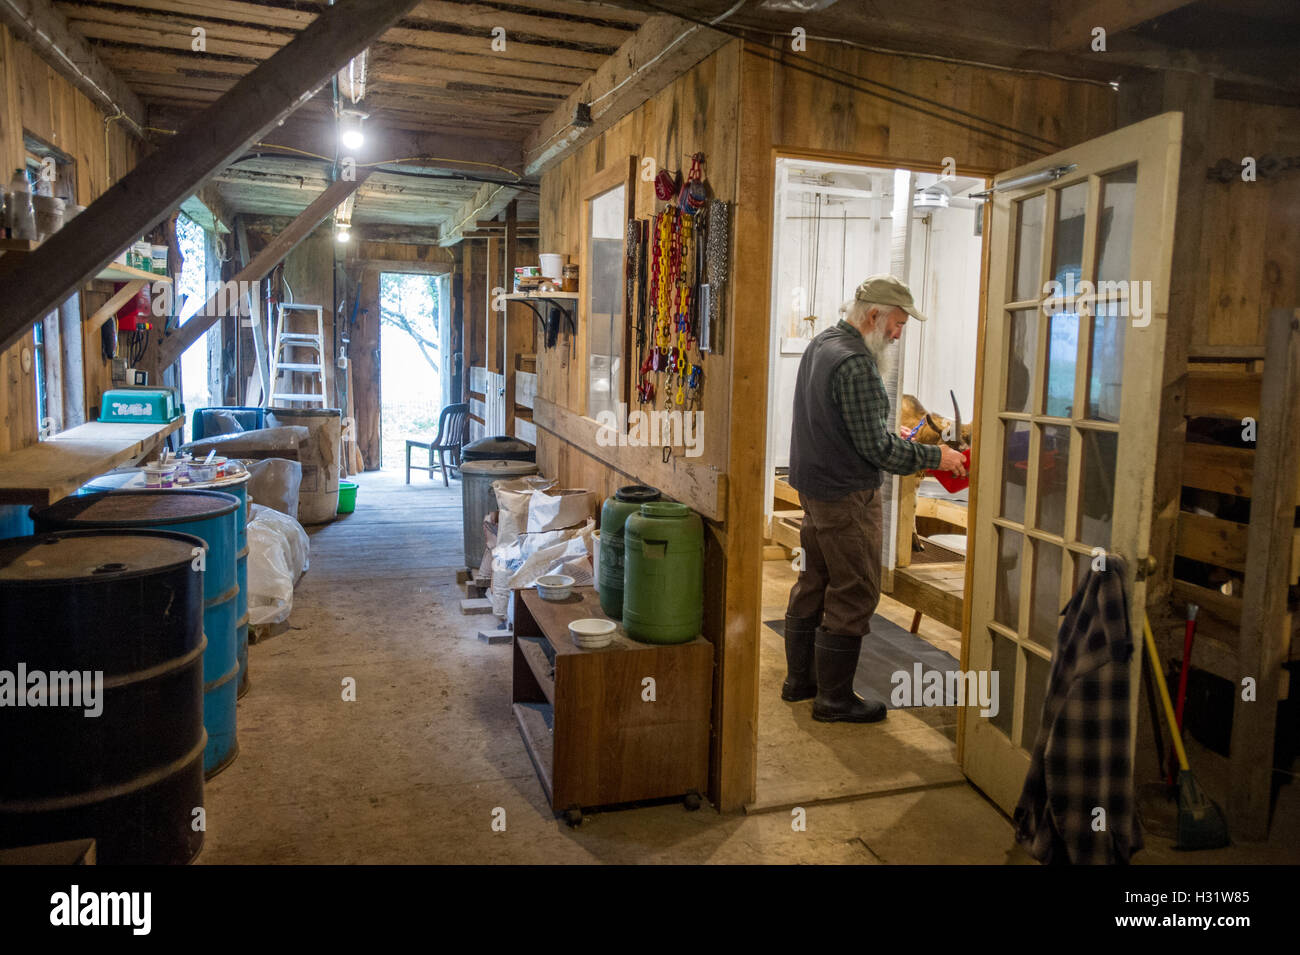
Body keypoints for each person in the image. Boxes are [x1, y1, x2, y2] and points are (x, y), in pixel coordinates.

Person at [784, 274, 968, 723]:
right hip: (846, 496)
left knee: (814, 581)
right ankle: (834, 700)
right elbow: (879, 448)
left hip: (812, 490)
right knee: (855, 590)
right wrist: (938, 456)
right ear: (873, 316)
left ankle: (801, 682)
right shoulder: (856, 365)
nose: (898, 334)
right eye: (898, 324)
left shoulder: (821, 344)